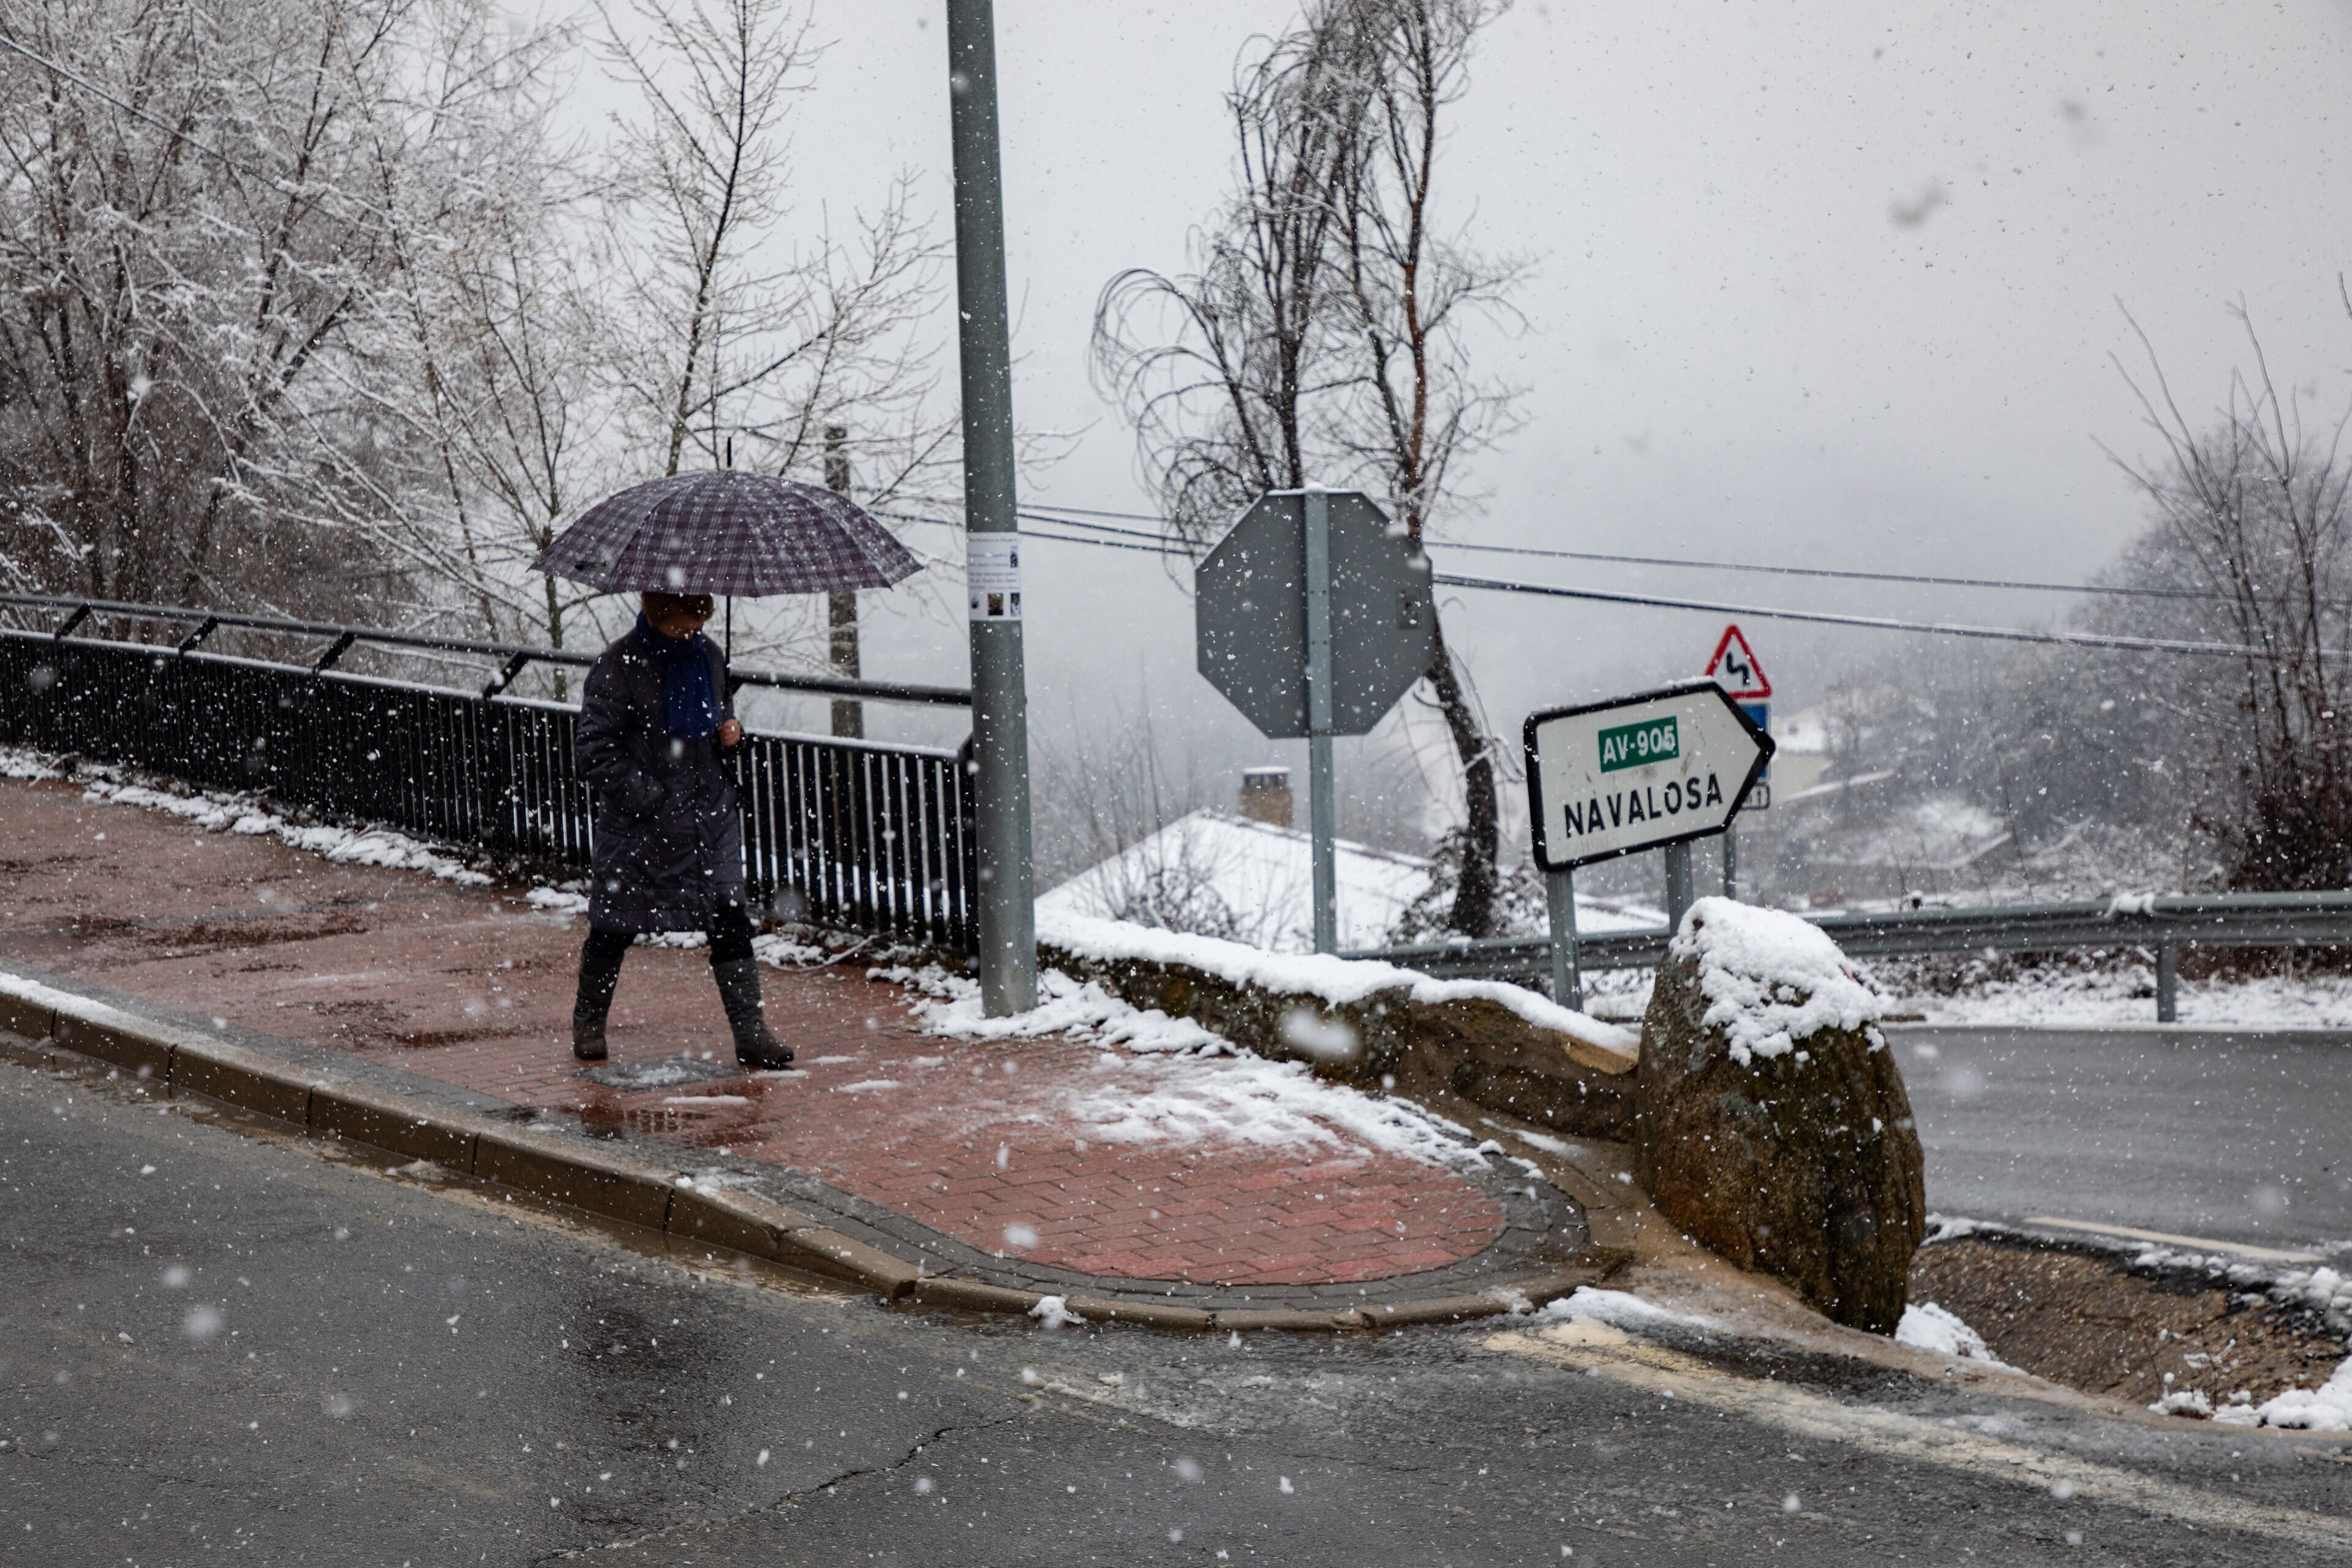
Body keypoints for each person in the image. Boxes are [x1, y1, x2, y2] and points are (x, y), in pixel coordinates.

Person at [570, 590, 793, 1069]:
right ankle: (588, 1023)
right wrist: (651, 797)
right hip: (640, 828)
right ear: (655, 616)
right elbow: (594, 750)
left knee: (730, 922)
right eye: (680, 627)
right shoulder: (617, 665)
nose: (690, 635)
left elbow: (716, 726)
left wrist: (732, 736)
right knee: (614, 925)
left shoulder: (709, 656)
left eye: (696, 626)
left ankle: (752, 1035)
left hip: (707, 822)